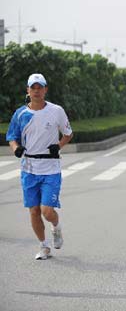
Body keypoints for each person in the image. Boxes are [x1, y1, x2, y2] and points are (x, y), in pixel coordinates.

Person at [6, 73, 73, 260]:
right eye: (32, 87)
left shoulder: (56, 111)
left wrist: (58, 146)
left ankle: (56, 227)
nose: (36, 91)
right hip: (29, 168)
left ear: (45, 90)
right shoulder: (20, 114)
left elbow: (68, 133)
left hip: (50, 168)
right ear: (28, 90)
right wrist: (16, 149)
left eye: (40, 87)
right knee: (34, 211)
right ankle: (44, 247)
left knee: (47, 210)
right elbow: (12, 136)